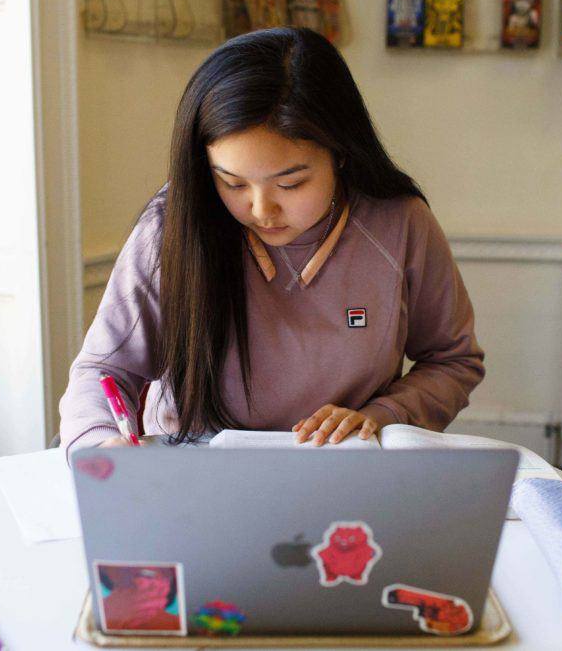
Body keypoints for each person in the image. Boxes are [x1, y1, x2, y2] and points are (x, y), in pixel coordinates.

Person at [60, 27, 484, 456]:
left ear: (340, 153)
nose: (262, 210)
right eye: (232, 182)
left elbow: (453, 361)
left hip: (342, 473)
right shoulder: (174, 225)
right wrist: (99, 446)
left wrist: (383, 413)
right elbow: (104, 370)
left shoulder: (399, 222)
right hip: (192, 473)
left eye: (292, 183)